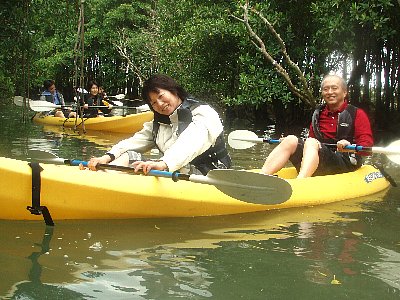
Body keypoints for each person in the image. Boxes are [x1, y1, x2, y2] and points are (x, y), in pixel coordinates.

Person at [86, 74, 232, 175]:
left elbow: (190, 142)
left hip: (209, 176)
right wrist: (106, 158)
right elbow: (133, 142)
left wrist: (164, 163)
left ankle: (105, 179)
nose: (160, 104)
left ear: (174, 91)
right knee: (129, 155)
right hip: (176, 172)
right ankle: (102, 175)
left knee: (136, 160)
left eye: (161, 96)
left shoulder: (204, 113)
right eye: (154, 103)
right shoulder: (159, 124)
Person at [261, 74, 373, 178]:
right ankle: (263, 175)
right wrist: (293, 143)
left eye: (334, 88)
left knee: (311, 142)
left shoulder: (357, 114)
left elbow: (367, 148)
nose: (329, 92)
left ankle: (301, 182)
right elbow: (310, 142)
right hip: (321, 158)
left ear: (344, 92)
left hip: (345, 161)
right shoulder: (318, 114)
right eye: (326, 89)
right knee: (291, 139)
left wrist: (350, 146)